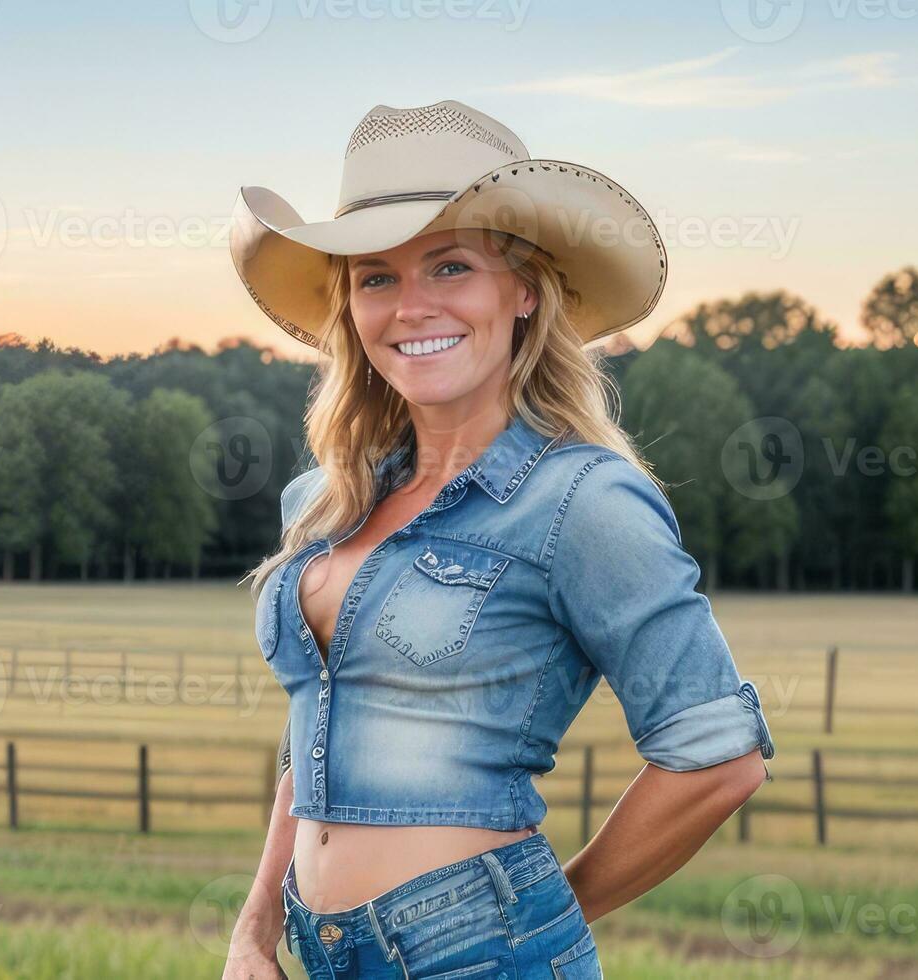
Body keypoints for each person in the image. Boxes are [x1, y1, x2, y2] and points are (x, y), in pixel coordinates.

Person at [221, 99, 776, 979]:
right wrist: (253, 930)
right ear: (350, 308)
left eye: (449, 266)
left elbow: (717, 760)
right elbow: (314, 738)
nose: (412, 307)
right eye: (376, 277)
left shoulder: (583, 500)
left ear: (522, 289)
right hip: (315, 953)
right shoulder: (325, 499)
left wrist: (536, 915)